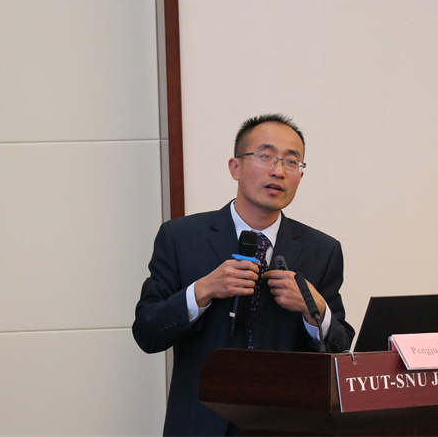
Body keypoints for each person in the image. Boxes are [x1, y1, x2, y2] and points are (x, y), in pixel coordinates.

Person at [132, 114, 355, 436]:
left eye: (291, 162)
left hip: (287, 424)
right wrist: (201, 291)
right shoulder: (181, 237)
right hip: (201, 423)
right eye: (265, 156)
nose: (278, 171)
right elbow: (147, 333)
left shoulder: (322, 250)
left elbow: (340, 349)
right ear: (235, 167)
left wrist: (315, 311)